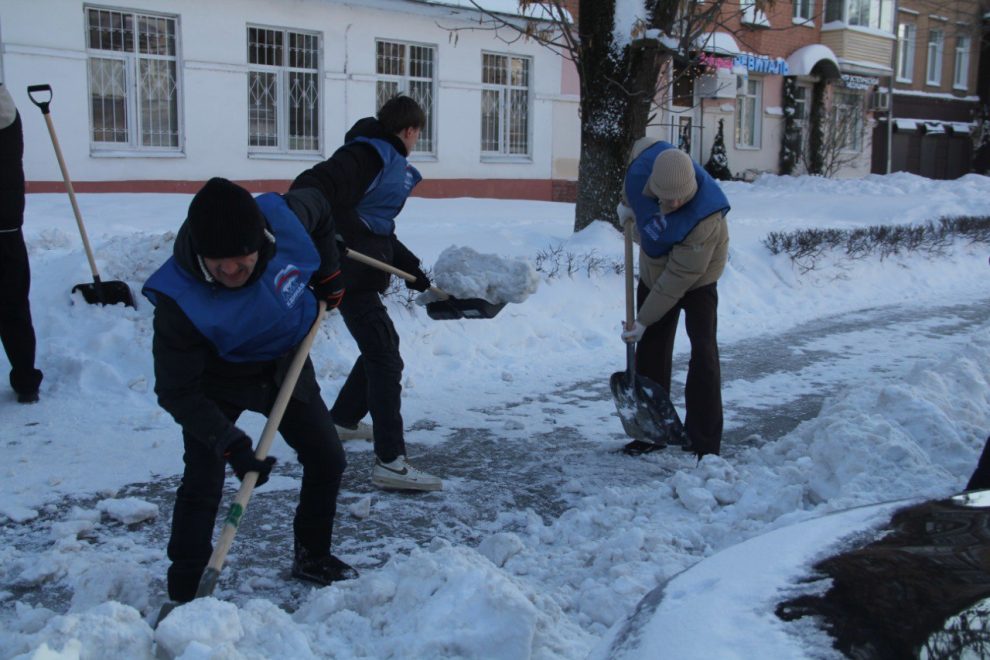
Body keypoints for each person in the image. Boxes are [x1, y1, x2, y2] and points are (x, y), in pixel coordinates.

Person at [143, 177, 355, 604]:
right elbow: (176, 390)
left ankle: (313, 555)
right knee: (202, 479)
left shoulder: (286, 217)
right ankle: (186, 589)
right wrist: (229, 443)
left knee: (327, 458)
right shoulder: (178, 302)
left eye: (241, 261)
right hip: (218, 377)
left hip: (286, 361)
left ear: (262, 239)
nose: (231, 272)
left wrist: (330, 274)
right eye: (217, 264)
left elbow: (323, 209)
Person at [290, 94, 442, 492]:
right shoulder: (367, 155)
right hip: (345, 271)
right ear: (410, 131)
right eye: (417, 134)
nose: (416, 141)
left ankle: (342, 420)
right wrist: (328, 233)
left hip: (359, 269)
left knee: (381, 347)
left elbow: (377, 229)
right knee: (385, 356)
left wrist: (414, 272)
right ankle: (390, 461)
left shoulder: (384, 161)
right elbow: (311, 187)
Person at [618, 140, 730, 458]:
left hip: (697, 279)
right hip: (655, 272)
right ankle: (652, 431)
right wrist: (627, 211)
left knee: (703, 352)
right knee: (651, 349)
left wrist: (642, 320)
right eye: (668, 198)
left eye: (682, 195)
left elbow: (677, 279)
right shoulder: (641, 179)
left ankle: (704, 442)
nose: (676, 201)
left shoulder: (705, 218)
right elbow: (641, 212)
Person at [0, 83, 43, 404]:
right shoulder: (7, 114)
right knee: (14, 306)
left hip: (7, 227)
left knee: (14, 304)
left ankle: (27, 380)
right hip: (7, 227)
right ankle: (26, 381)